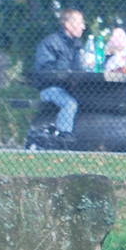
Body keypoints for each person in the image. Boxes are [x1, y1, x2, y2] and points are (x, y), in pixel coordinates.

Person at [31, 8, 86, 148]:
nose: (83, 27)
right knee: (70, 103)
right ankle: (63, 137)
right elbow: (44, 71)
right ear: (67, 25)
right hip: (50, 89)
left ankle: (85, 139)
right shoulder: (50, 43)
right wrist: (65, 71)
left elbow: (79, 70)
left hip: (70, 88)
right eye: (80, 23)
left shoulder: (77, 45)